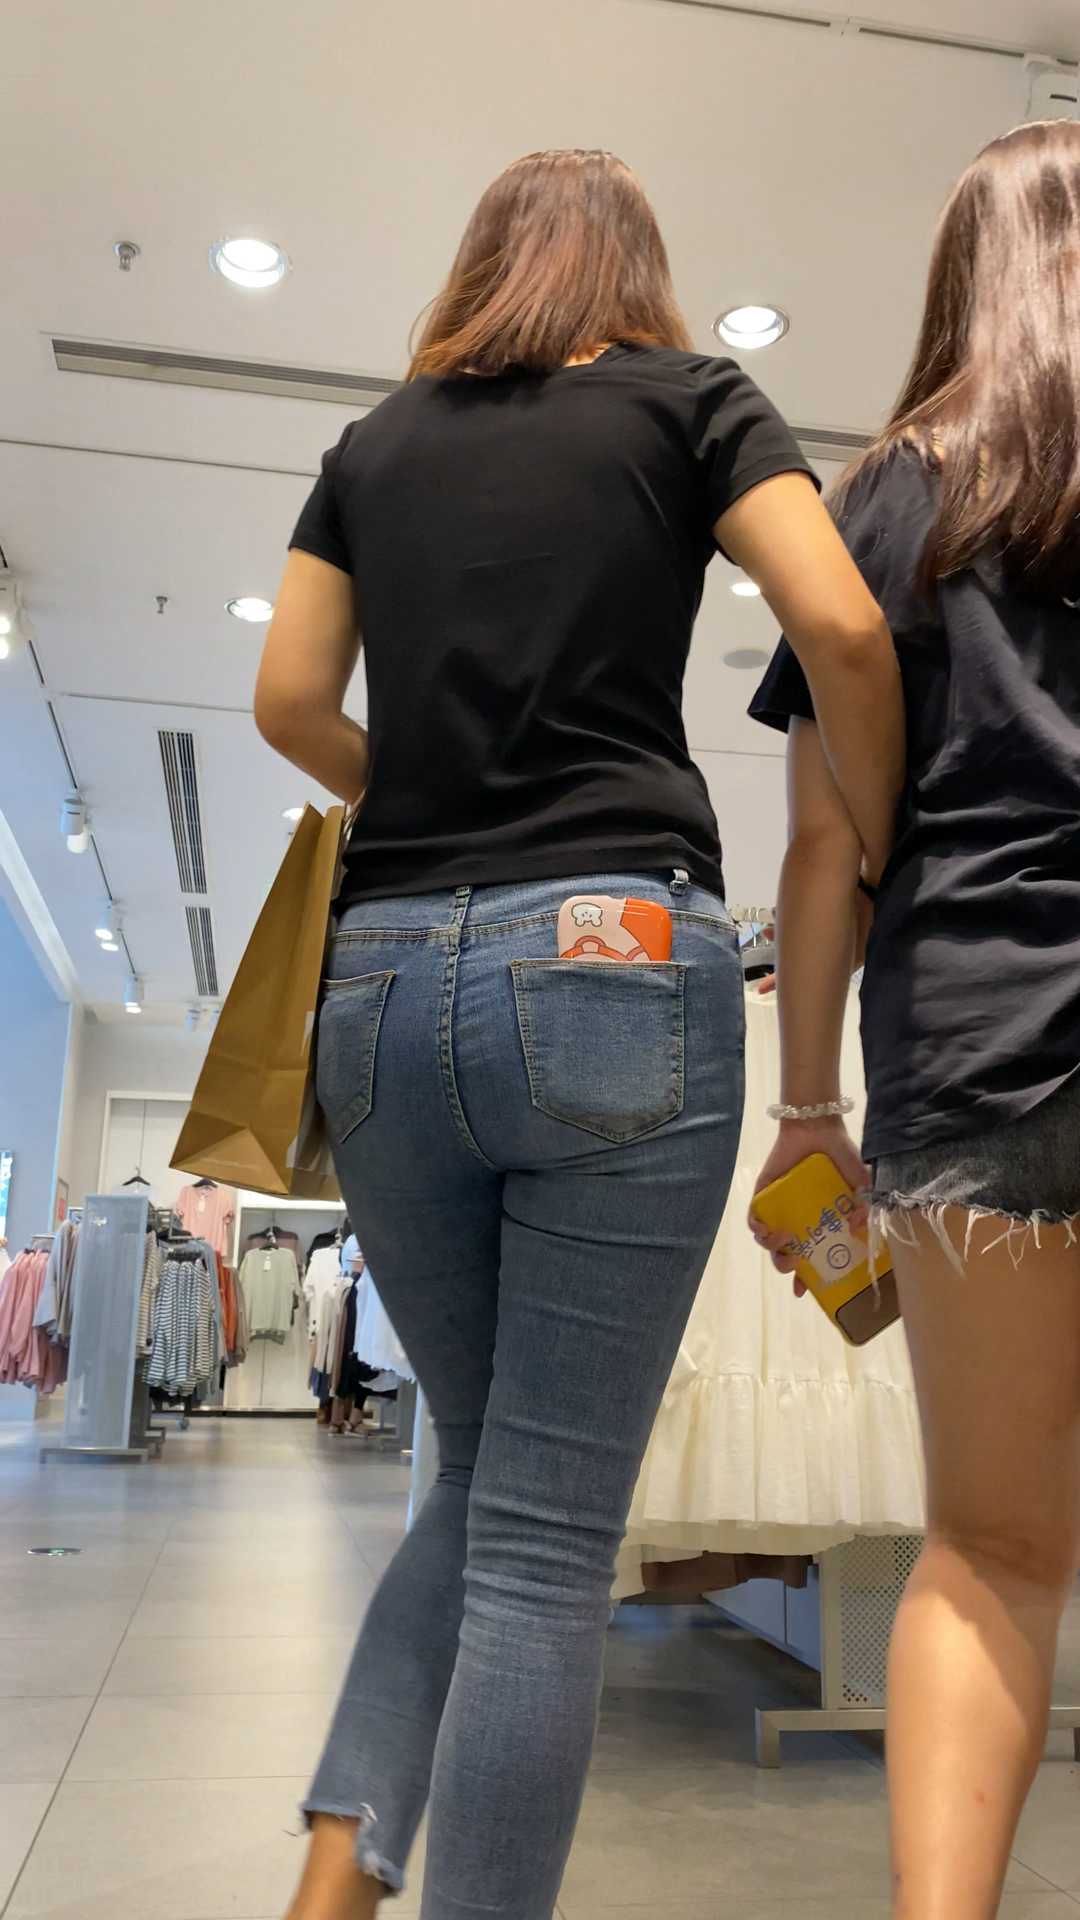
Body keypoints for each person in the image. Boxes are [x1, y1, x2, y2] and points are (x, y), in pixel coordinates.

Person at [255, 147, 901, 1920]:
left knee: (474, 1482)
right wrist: (878, 822)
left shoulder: (374, 444)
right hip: (614, 959)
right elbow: (842, 623)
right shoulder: (691, 401)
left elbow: (289, 699)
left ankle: (332, 1885)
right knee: (544, 1542)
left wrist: (422, 795)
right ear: (637, 267)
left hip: (384, 983)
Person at [748, 119, 1080, 1920]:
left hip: (979, 1027)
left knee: (996, 1547)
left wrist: (805, 1109)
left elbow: (826, 847)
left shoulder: (883, 501)